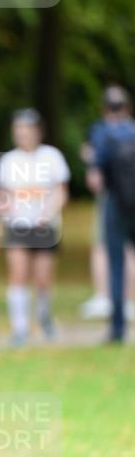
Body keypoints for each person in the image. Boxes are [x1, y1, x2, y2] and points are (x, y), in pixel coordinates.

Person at [0, 108, 70, 346]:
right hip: (18, 226)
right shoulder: (8, 161)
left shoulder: (51, 156)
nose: (24, 135)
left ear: (38, 132)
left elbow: (60, 191)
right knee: (18, 275)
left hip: (45, 226)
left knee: (43, 278)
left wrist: (49, 212)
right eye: (19, 131)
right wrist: (0, 206)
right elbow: (3, 194)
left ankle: (44, 318)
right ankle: (20, 327)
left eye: (28, 130)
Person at [80, 86, 135, 320]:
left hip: (113, 201)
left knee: (111, 254)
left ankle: (117, 319)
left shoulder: (101, 132)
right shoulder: (132, 130)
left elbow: (94, 175)